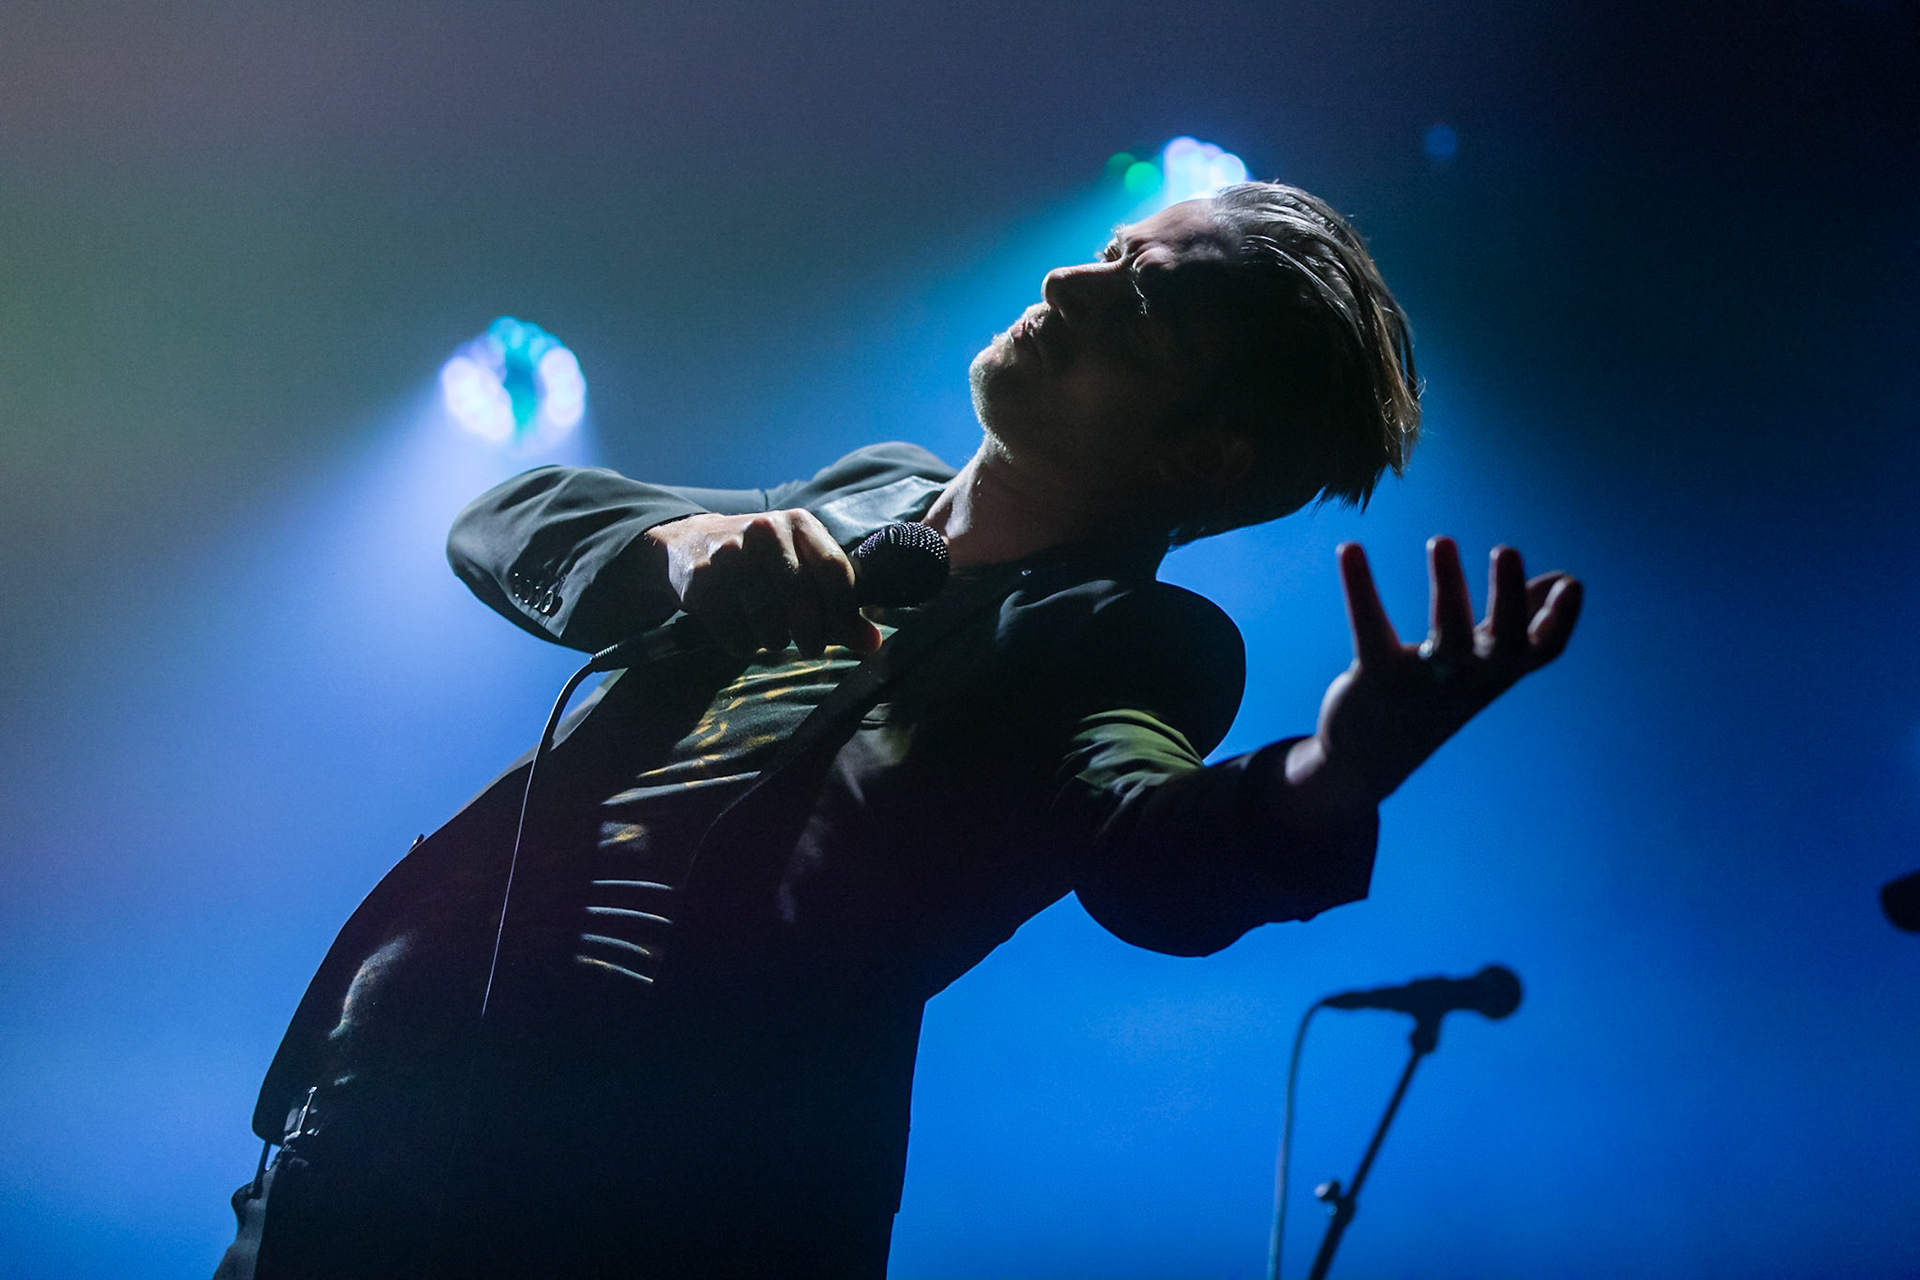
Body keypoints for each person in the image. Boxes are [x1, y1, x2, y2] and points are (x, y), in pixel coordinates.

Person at [215, 182, 1580, 1279]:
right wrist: (688, 547)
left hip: (630, 1221)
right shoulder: (873, 499)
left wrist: (1332, 778)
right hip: (354, 1146)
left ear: (1203, 455)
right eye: (1108, 251)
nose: (1070, 281)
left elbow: (1150, 839)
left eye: (1141, 301)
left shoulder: (1124, 636)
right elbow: (504, 519)